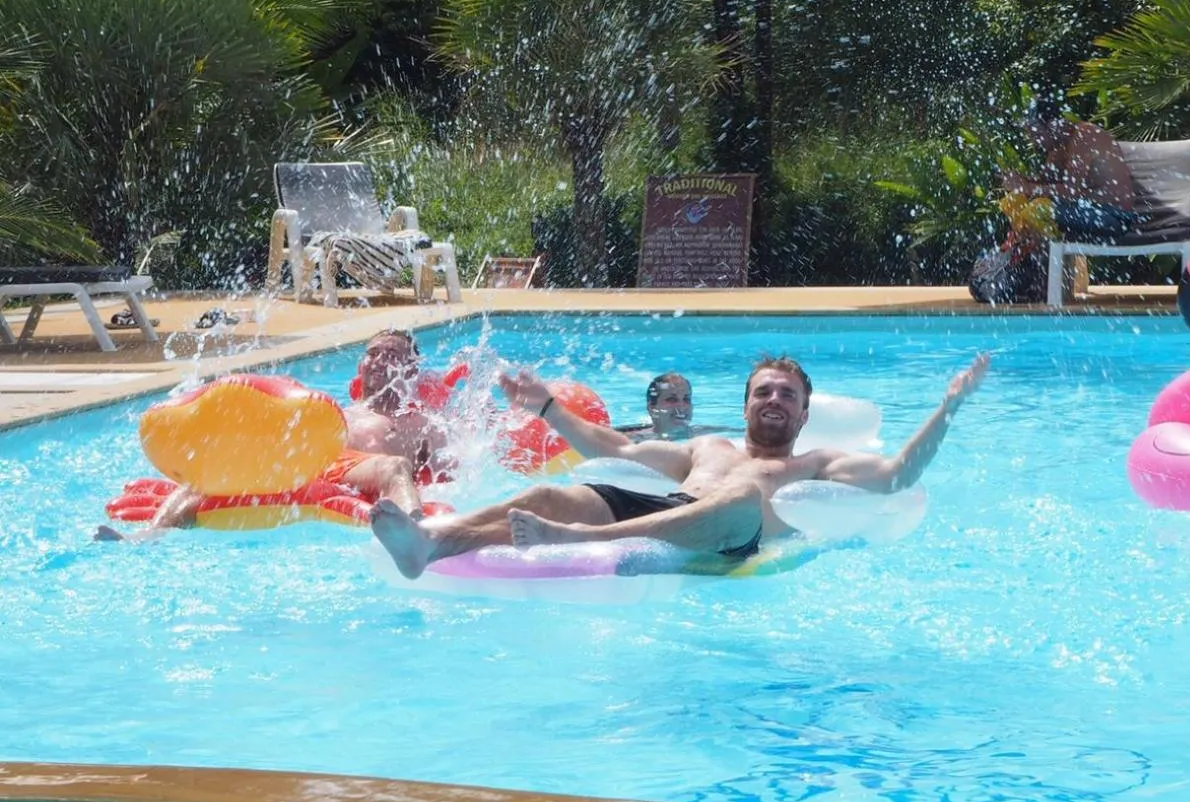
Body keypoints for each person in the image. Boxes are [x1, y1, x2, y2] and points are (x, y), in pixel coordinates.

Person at [370, 351, 992, 578]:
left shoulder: (817, 462)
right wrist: (547, 407)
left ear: (803, 415)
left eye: (787, 395)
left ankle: (576, 538)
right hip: (668, 512)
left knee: (744, 497)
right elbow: (611, 449)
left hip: (730, 538)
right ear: (745, 404)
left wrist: (950, 407)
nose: (774, 400)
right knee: (556, 494)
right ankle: (429, 543)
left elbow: (898, 476)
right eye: (763, 392)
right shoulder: (705, 448)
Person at [95, 329, 449, 540]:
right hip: (313, 464)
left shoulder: (423, 424)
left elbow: (450, 477)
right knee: (215, 470)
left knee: (395, 466)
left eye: (391, 355)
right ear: (361, 365)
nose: (378, 361)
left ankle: (417, 536)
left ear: (411, 369)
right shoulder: (341, 411)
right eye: (372, 353)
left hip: (363, 472)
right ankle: (147, 539)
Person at [1001, 112, 1140, 246]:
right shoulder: (1058, 148)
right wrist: (1021, 181)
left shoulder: (1084, 136)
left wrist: (1027, 187)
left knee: (1038, 210)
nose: (1034, 141)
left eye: (1037, 135)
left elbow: (1071, 192)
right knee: (1012, 201)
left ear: (1054, 126)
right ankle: (1021, 251)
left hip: (1114, 216)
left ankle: (1051, 261)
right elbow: (1045, 185)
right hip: (1084, 208)